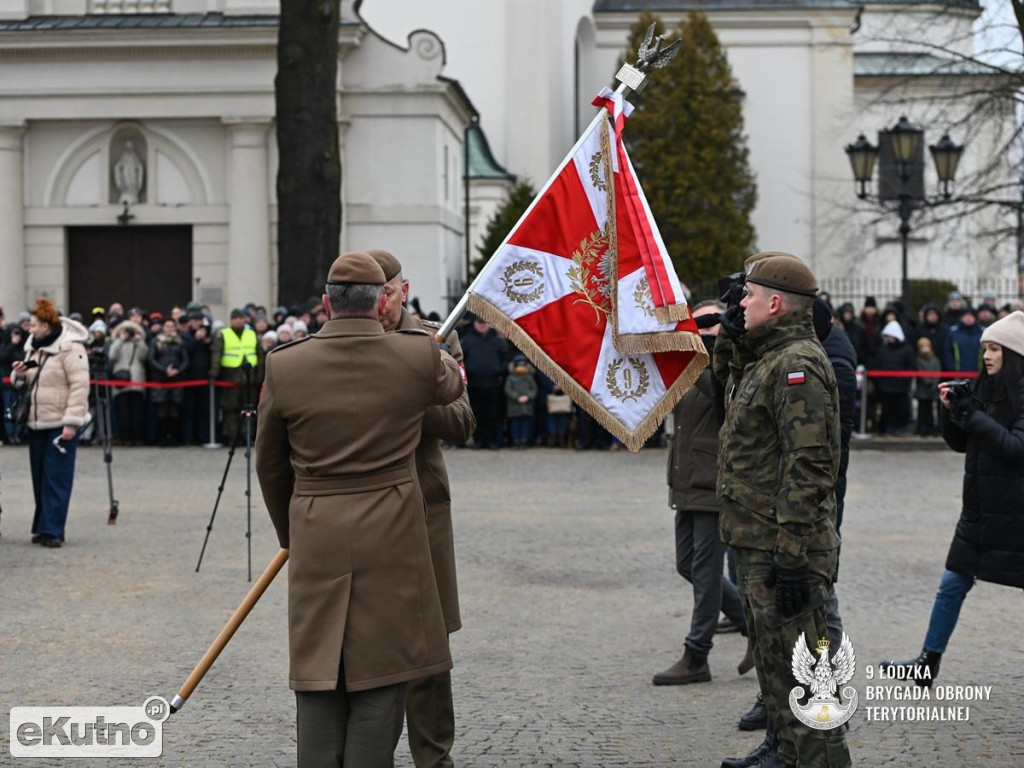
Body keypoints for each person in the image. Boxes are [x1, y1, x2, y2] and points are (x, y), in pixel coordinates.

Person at [255, 251, 464, 768]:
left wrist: (293, 532)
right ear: (380, 303)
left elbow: (270, 466)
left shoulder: (284, 364)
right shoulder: (417, 354)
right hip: (393, 528)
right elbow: (455, 388)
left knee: (318, 672)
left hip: (317, 529)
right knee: (385, 673)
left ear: (326, 304)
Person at [714, 253, 851, 768]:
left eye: (747, 296)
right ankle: (788, 757)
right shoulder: (768, 356)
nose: (739, 303)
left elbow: (810, 465)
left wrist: (791, 553)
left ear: (775, 303)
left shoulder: (797, 363)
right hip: (758, 542)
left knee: (808, 690)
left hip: (783, 549)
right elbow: (722, 385)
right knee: (777, 678)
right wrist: (731, 335)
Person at [369, 248, 476, 768]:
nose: (378, 305)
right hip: (362, 509)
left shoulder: (436, 337)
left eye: (385, 293)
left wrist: (410, 395)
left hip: (421, 502)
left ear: (401, 291)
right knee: (368, 642)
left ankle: (434, 757)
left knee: (429, 645)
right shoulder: (341, 341)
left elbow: (461, 421)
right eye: (369, 295)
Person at [882, 311, 1024, 687]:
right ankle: (928, 662)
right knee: (952, 583)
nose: (988, 355)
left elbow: (1016, 449)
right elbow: (962, 443)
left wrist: (972, 415)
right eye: (985, 349)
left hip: (1018, 517)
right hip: (979, 515)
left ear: (1014, 354)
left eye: (995, 349)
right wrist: (952, 412)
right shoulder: (986, 389)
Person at [654, 300, 752, 688]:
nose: (703, 335)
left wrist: (699, 352)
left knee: (708, 573)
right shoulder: (688, 368)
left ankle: (697, 655)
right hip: (686, 481)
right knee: (687, 566)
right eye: (698, 328)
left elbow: (719, 395)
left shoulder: (728, 367)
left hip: (713, 482)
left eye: (710, 328)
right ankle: (750, 622)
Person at [10, 297, 90, 548]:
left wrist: (71, 422)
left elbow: (80, 386)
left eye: (33, 325)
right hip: (37, 421)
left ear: (46, 324)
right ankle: (43, 525)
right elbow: (29, 378)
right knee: (40, 476)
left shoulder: (70, 347)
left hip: (60, 421)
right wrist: (20, 375)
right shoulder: (35, 346)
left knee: (57, 477)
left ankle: (53, 529)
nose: (29, 329)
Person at [210, 308, 259, 444]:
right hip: (230, 377)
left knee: (249, 408)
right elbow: (216, 354)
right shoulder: (224, 334)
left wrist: (260, 375)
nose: (238, 321)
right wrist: (214, 372)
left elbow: (259, 354)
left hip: (249, 377)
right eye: (235, 318)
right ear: (231, 320)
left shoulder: (251, 334)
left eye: (240, 318)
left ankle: (248, 436)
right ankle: (232, 437)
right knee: (230, 409)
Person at [460, 316, 508, 449]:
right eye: (479, 322)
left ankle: (491, 440)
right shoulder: (468, 341)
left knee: (492, 413)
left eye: (484, 322)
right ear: (474, 324)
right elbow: (460, 359)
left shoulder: (497, 341)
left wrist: (499, 370)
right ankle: (478, 440)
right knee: (476, 413)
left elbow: (505, 358)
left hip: (493, 384)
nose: (482, 325)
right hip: (474, 384)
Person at [147, 317, 188, 446]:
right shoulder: (156, 341)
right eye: (167, 326)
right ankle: (162, 438)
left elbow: (185, 359)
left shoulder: (180, 342)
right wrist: (164, 370)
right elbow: (151, 359)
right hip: (161, 379)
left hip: (176, 379)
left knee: (175, 410)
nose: (170, 329)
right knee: (162, 409)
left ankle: (174, 437)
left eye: (172, 326)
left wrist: (178, 370)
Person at [108, 317, 148, 446]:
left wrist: (139, 341)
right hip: (121, 382)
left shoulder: (139, 342)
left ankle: (138, 438)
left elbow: (144, 356)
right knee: (123, 413)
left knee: (138, 412)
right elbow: (112, 356)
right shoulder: (117, 343)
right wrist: (120, 340)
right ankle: (126, 438)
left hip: (136, 381)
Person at [874, 320, 915, 436]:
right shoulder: (883, 349)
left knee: (901, 408)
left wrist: (906, 380)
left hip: (900, 385)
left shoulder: (907, 350)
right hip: (886, 385)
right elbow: (878, 365)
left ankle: (900, 427)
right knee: (887, 409)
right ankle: (888, 427)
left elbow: (911, 366)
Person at [504, 354, 538, 449]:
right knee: (516, 425)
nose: (521, 367)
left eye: (523, 365)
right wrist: (517, 397)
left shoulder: (529, 377)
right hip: (515, 406)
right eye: (519, 365)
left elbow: (534, 389)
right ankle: (516, 440)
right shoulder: (511, 377)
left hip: (527, 406)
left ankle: (525, 440)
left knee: (526, 425)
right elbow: (508, 389)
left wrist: (528, 397)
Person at [943, 307, 983, 374]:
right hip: (958, 372)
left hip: (978, 373)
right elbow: (947, 351)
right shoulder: (953, 332)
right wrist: (951, 367)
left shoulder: (982, 332)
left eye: (971, 316)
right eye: (966, 316)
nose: (968, 318)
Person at [915, 337, 941, 437]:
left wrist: (934, 383)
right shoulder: (918, 360)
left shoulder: (935, 359)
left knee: (931, 410)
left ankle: (931, 428)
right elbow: (920, 372)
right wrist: (927, 381)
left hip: (933, 389)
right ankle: (922, 429)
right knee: (922, 410)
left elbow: (937, 372)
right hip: (922, 389)